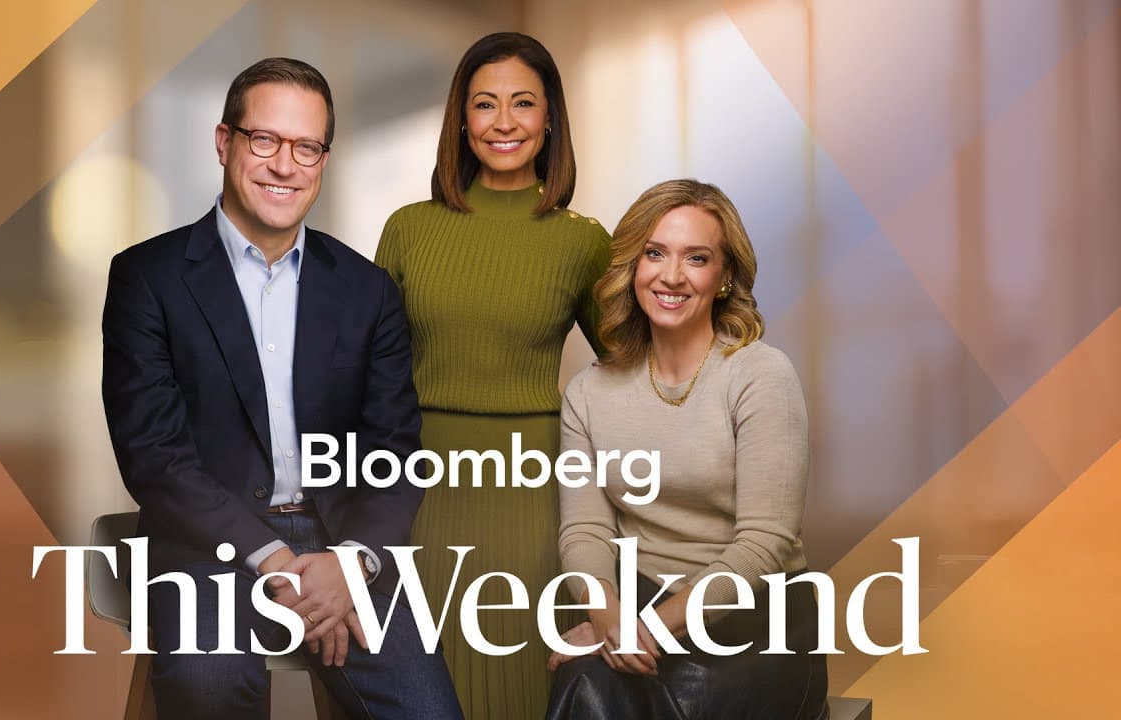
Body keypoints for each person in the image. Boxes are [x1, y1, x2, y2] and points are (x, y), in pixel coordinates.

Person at [101, 57, 462, 720]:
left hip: (342, 540)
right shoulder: (145, 278)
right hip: (206, 546)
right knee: (212, 689)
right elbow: (153, 455)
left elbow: (397, 451)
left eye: (305, 147)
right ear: (224, 142)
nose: (283, 165)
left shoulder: (367, 292)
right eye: (264, 140)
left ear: (324, 159)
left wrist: (349, 564)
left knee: (428, 710)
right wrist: (274, 559)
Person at [374, 32, 611, 719]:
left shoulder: (583, 240)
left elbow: (633, 375)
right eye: (485, 104)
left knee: (526, 688)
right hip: (416, 495)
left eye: (523, 103)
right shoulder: (408, 230)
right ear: (462, 120)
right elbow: (364, 378)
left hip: (532, 498)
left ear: (549, 121)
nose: (504, 122)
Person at [546, 179, 829, 719]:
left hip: (752, 625)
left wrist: (644, 631)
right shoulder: (589, 391)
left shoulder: (760, 375)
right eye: (655, 253)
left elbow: (765, 543)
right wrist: (609, 620)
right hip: (641, 607)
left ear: (723, 277)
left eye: (696, 258)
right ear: (633, 265)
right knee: (583, 680)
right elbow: (586, 531)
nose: (671, 276)